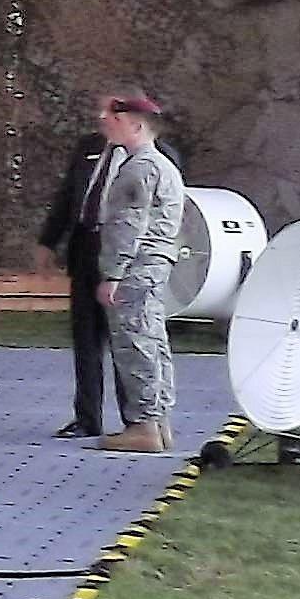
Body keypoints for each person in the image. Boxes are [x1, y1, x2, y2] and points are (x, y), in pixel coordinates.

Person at [87, 93, 189, 454]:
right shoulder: (162, 165)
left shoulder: (139, 168)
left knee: (134, 344)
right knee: (153, 341)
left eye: (116, 119)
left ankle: (144, 425)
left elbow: (127, 226)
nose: (106, 123)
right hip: (154, 265)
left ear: (136, 125)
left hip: (137, 267)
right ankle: (159, 421)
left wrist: (112, 274)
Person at [37, 129, 127, 439]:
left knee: (126, 341)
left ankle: (137, 420)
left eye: (111, 113)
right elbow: (68, 196)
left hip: (123, 252)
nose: (103, 118)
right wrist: (49, 241)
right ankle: (88, 417)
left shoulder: (152, 155)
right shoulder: (89, 146)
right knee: (86, 338)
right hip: (86, 248)